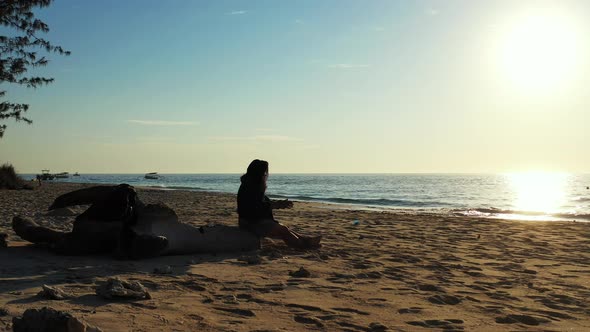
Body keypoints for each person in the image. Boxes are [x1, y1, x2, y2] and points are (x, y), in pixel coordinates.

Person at [237, 159, 321, 249]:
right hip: (251, 223)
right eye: (265, 173)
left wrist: (278, 204)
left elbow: (262, 204)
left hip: (252, 220)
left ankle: (305, 240)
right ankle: (303, 245)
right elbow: (256, 207)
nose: (266, 175)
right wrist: (277, 205)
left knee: (284, 229)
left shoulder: (250, 185)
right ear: (259, 173)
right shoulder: (251, 187)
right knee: (283, 230)